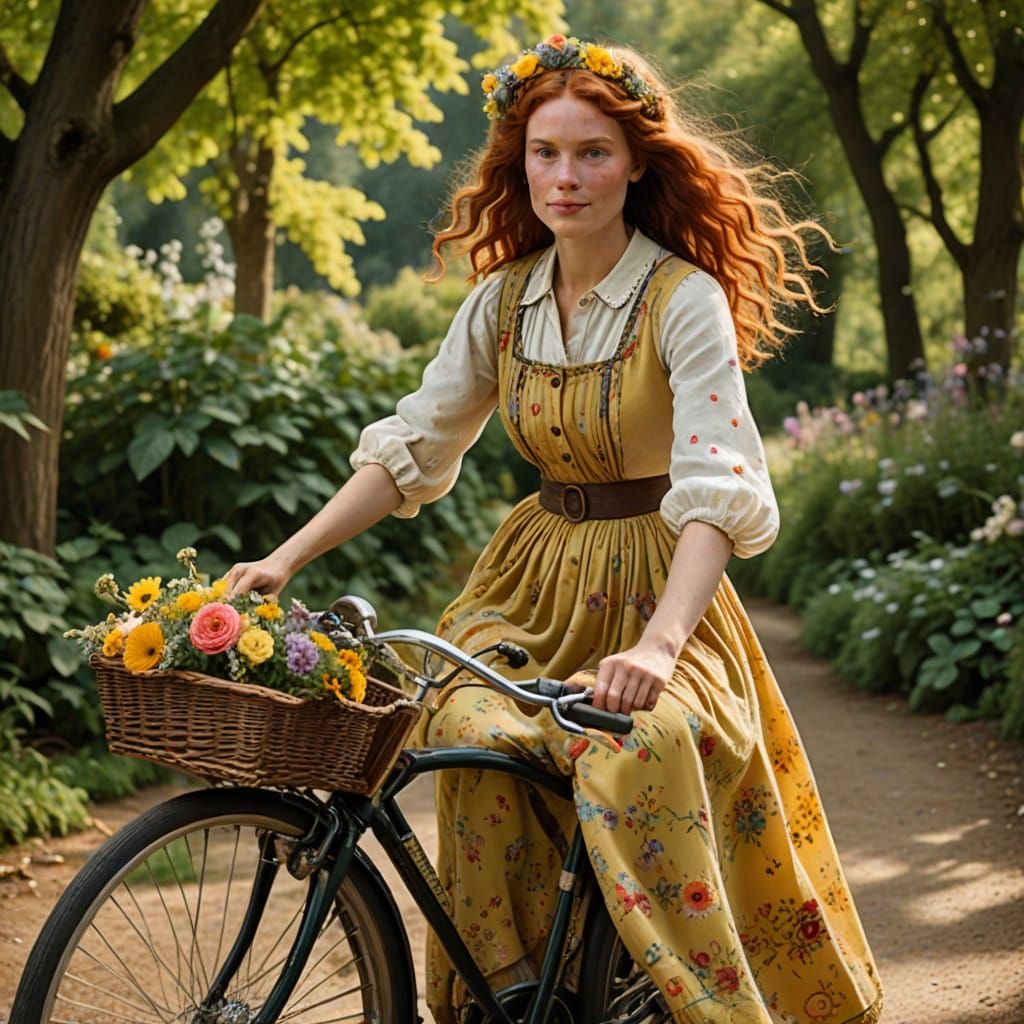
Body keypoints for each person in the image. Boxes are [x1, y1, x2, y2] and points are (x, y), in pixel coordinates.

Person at [226, 35, 883, 1024]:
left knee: (632, 748)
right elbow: (412, 444)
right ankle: (514, 986)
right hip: (530, 585)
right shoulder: (503, 301)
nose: (565, 178)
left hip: (664, 590)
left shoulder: (681, 299)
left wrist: (658, 647)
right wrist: (284, 559)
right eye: (546, 153)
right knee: (460, 729)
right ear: (517, 161)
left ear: (636, 163)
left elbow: (718, 485)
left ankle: (688, 997)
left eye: (592, 153)